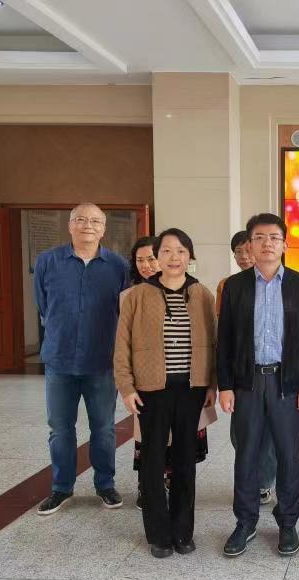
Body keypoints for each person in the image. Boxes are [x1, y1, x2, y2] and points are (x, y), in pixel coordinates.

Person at [218, 213, 299, 557]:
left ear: (285, 244)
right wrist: (225, 385)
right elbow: (224, 339)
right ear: (249, 245)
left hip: (285, 383)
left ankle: (287, 522)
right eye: (259, 238)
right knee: (246, 453)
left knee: (288, 454)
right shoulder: (235, 286)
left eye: (274, 237)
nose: (267, 244)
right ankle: (245, 521)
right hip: (246, 383)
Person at [114, 228, 217, 558]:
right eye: (167, 251)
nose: (175, 257)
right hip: (151, 391)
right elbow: (122, 345)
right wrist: (126, 387)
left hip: (191, 390)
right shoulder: (138, 296)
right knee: (153, 461)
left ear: (190, 257)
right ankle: (158, 534)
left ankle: (183, 532)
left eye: (181, 251)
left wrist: (211, 384)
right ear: (156, 257)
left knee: (186, 461)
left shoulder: (202, 295)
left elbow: (215, 343)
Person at [34, 203, 129, 516]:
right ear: (70, 225)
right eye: (81, 219)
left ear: (103, 228)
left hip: (101, 361)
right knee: (60, 429)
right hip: (59, 361)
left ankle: (105, 485)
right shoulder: (47, 262)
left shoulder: (118, 266)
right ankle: (61, 488)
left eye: (95, 221)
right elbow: (43, 306)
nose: (88, 225)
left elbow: (123, 312)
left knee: (104, 429)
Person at [216, 230, 277, 506]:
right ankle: (248, 478)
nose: (243, 256)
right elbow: (223, 332)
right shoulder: (228, 286)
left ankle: (264, 481)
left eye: (246, 250)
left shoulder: (278, 283)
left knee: (269, 432)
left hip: (271, 370)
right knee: (241, 431)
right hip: (241, 371)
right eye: (237, 252)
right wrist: (224, 382)